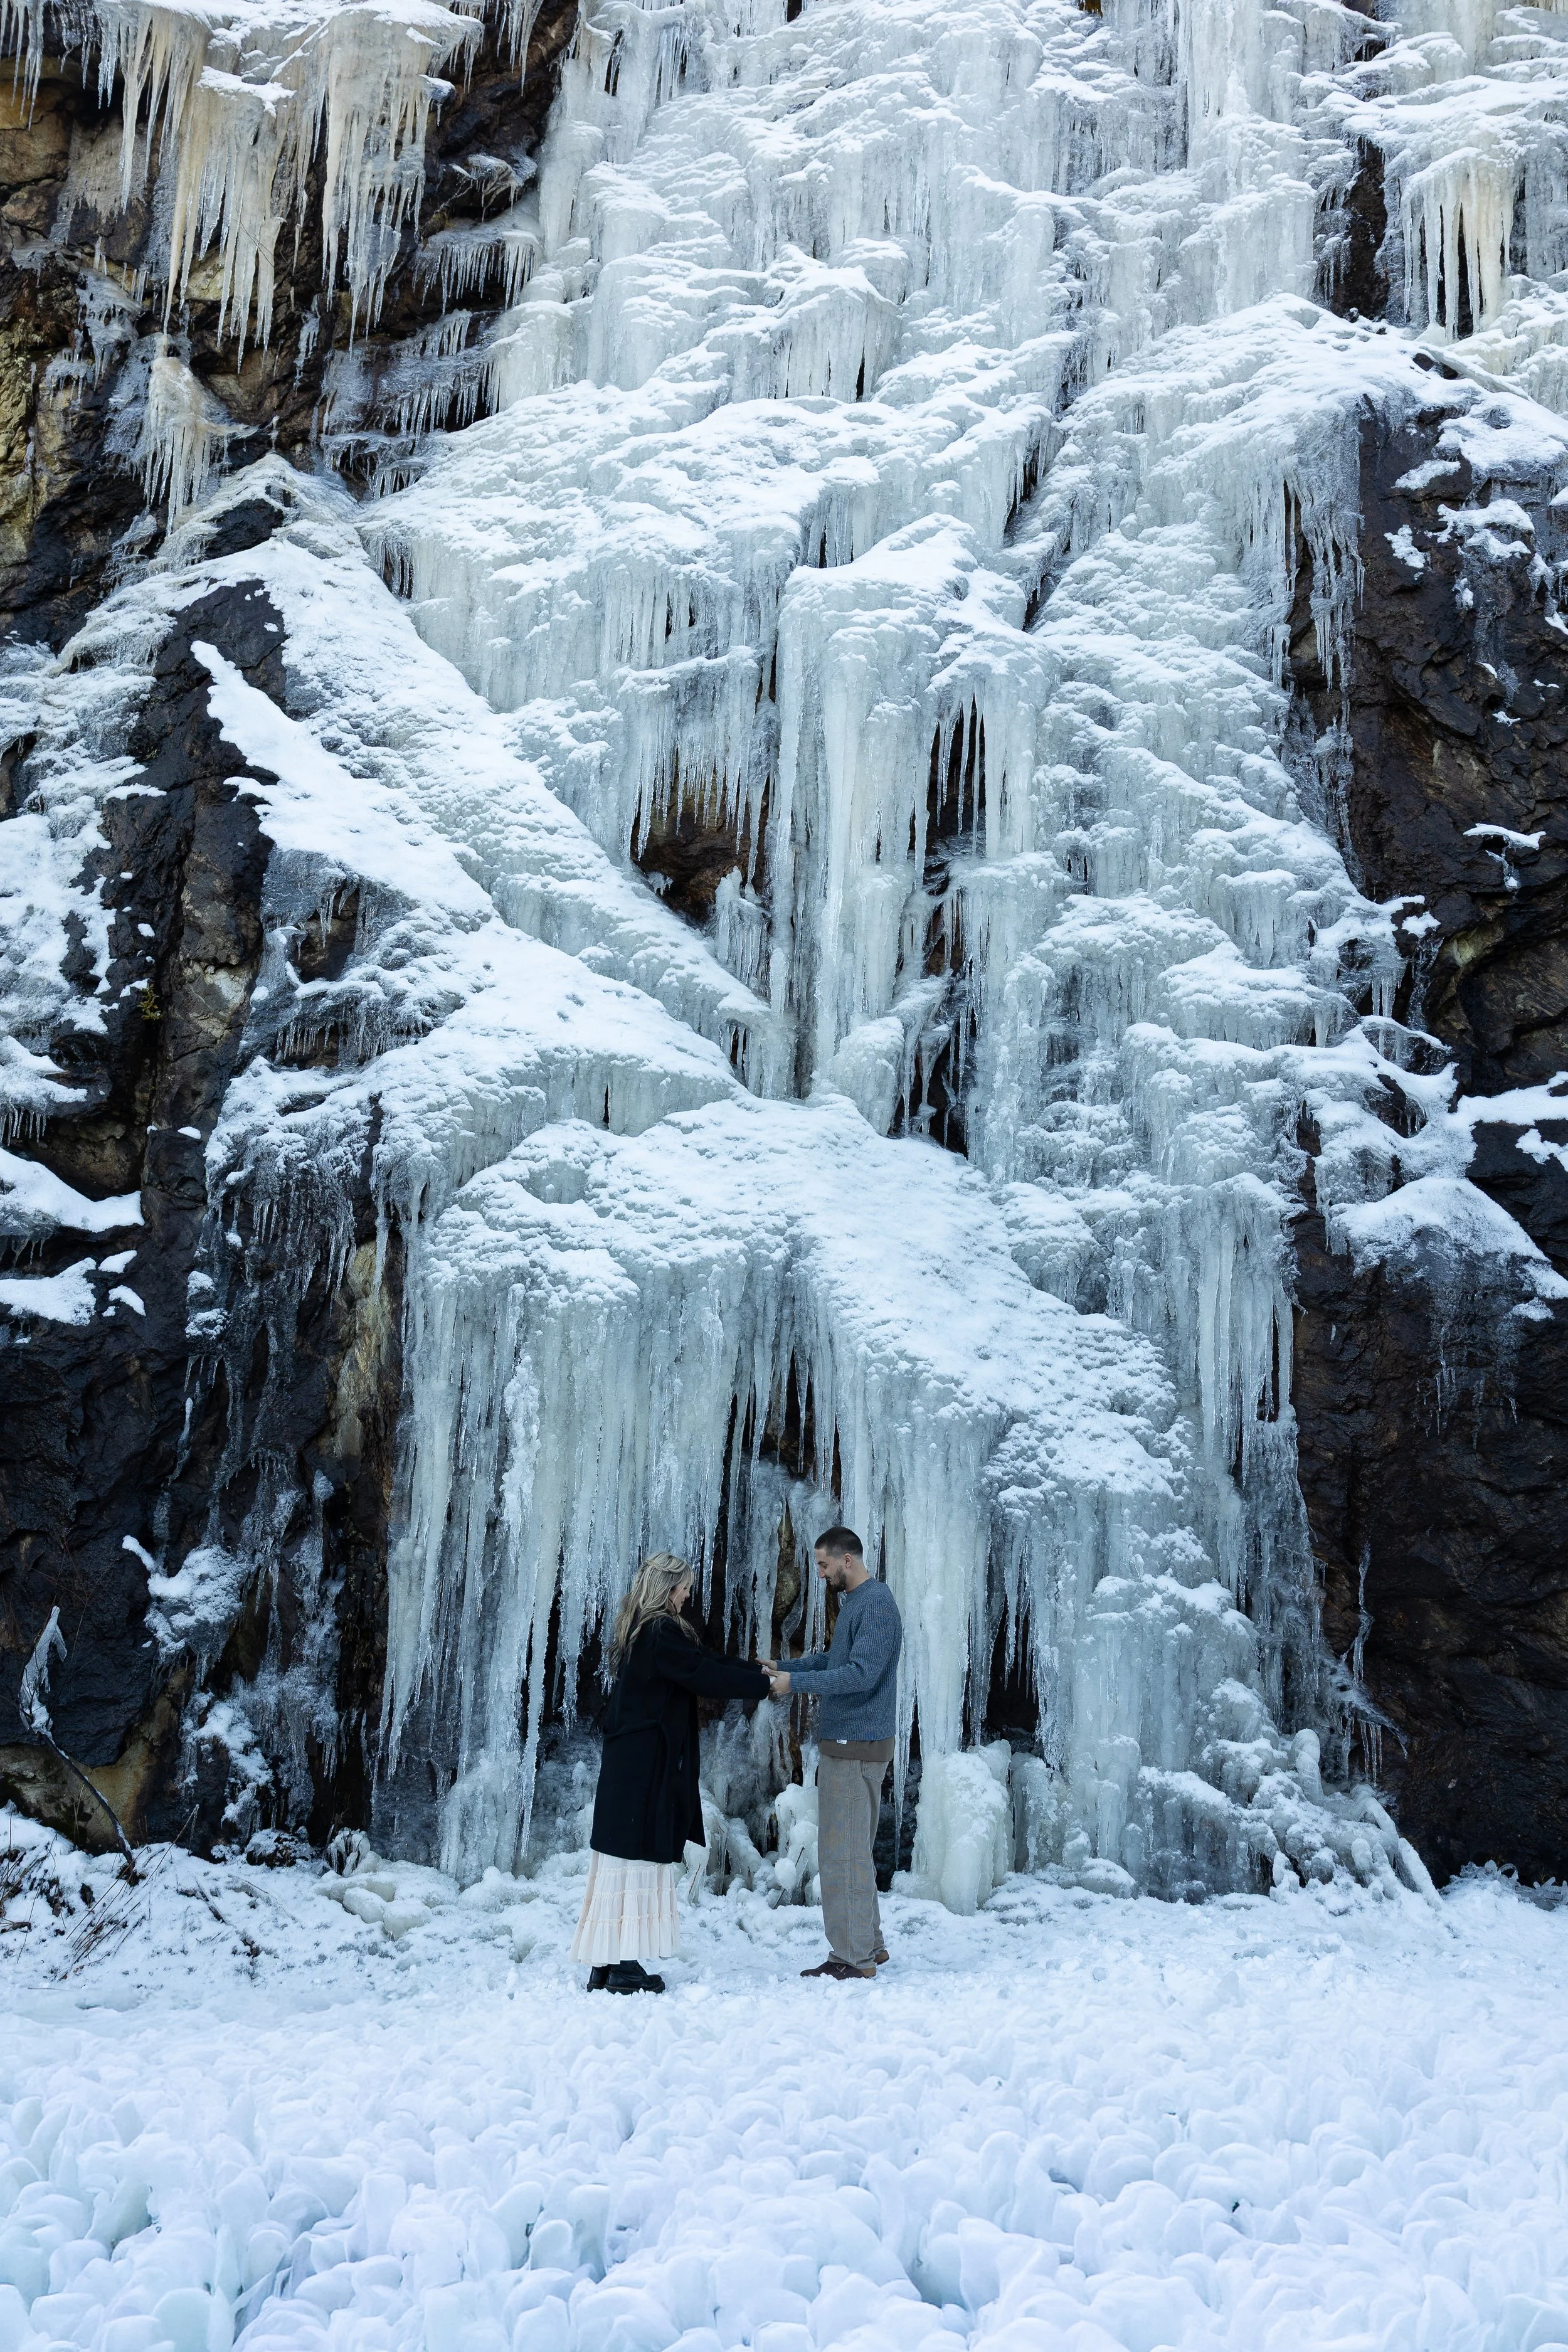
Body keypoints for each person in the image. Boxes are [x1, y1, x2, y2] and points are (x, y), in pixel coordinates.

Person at [572, 1550, 770, 1993]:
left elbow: (704, 1662)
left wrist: (756, 1670)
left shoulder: (644, 1629)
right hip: (646, 1762)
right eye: (684, 1588)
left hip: (631, 1759)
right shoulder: (661, 1631)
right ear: (667, 1588)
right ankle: (623, 1966)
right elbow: (703, 1674)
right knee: (640, 1853)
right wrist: (762, 1684)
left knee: (619, 1857)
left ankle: (605, 1961)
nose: (687, 1596)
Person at [765, 1524, 903, 1982]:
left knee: (842, 1854)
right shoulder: (858, 1604)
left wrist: (796, 1685)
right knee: (855, 1851)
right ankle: (870, 1946)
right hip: (852, 1743)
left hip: (855, 1746)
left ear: (848, 1560)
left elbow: (860, 1675)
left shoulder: (877, 1605)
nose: (819, 1575)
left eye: (824, 1565)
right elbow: (834, 1661)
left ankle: (851, 1958)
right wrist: (784, 1667)